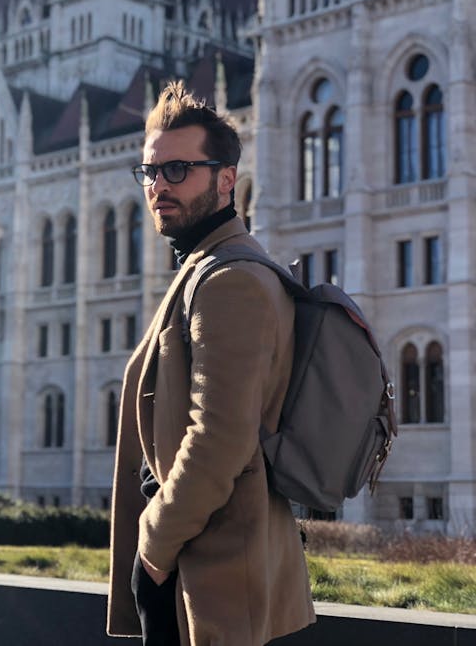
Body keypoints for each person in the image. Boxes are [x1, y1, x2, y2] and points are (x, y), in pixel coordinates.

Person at [106, 82, 316, 645]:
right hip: (200, 563)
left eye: (178, 171)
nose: (158, 187)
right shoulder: (209, 269)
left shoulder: (231, 281)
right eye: (150, 172)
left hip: (211, 573)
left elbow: (218, 437)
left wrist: (154, 544)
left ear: (226, 180)